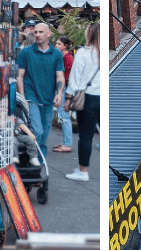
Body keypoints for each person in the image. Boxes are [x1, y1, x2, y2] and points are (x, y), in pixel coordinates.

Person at [17, 23, 65, 159]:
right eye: (36, 32)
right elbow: (20, 75)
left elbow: (60, 75)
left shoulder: (56, 54)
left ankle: (39, 161)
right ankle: (32, 158)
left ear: (48, 34)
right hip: (31, 97)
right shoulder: (26, 52)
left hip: (48, 98)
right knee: (37, 131)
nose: (37, 35)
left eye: (41, 32)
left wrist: (60, 93)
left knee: (44, 135)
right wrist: (23, 97)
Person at [65, 23, 101, 182]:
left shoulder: (83, 53)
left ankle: (83, 171)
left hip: (87, 99)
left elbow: (74, 78)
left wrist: (68, 98)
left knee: (86, 137)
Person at [53, 35, 75, 154]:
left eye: (59, 44)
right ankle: (66, 141)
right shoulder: (65, 56)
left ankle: (67, 144)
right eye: (56, 44)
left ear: (65, 46)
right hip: (64, 87)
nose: (57, 46)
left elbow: (68, 76)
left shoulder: (67, 58)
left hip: (65, 88)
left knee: (64, 117)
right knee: (62, 116)